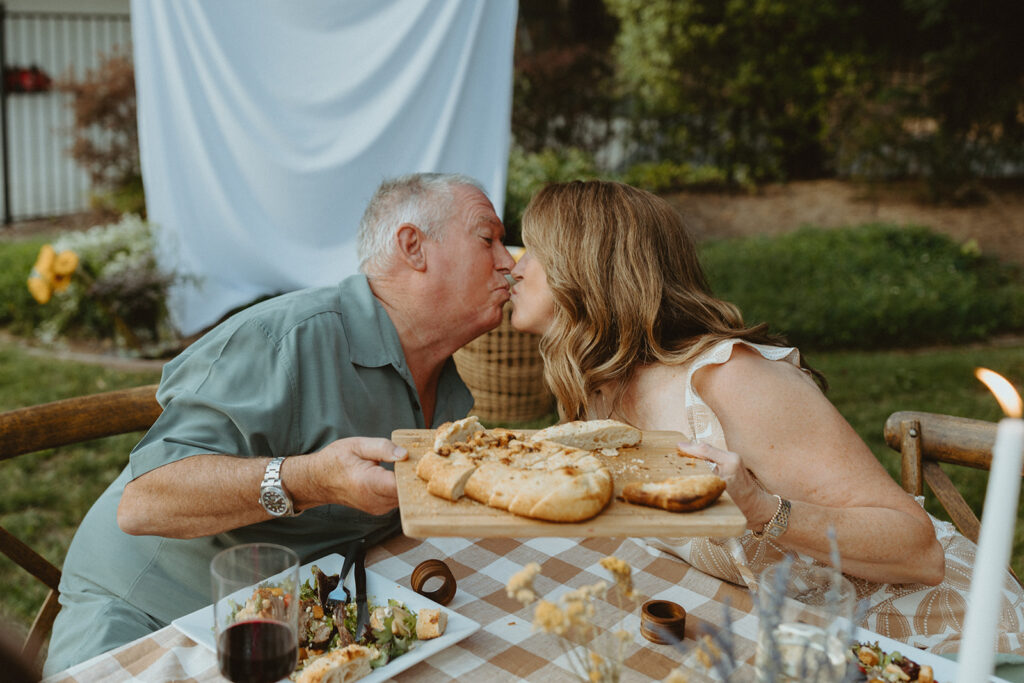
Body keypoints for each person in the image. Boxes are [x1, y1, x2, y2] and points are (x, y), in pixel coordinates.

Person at [508, 179, 1024, 659]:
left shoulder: (730, 381)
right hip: (790, 635)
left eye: (534, 252)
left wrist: (759, 508)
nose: (515, 267)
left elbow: (919, 552)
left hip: (941, 640)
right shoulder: (601, 389)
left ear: (586, 271)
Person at [43, 173, 515, 675]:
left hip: (297, 620)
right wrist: (307, 479)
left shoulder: (447, 384)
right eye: (489, 239)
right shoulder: (285, 340)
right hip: (149, 610)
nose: (509, 262)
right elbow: (144, 503)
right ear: (413, 247)